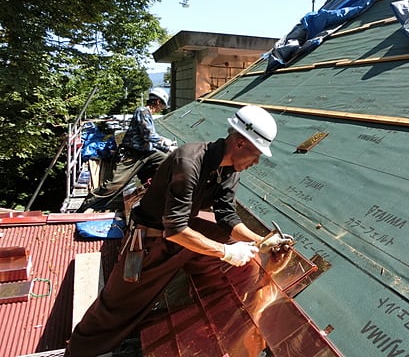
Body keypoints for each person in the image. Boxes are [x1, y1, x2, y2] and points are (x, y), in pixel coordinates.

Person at [66, 105, 293, 356]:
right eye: (257, 153)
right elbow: (175, 229)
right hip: (148, 246)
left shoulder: (229, 170)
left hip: (176, 242)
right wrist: (226, 252)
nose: (257, 161)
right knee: (114, 309)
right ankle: (77, 352)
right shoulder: (189, 161)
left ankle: (212, 306)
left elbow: (227, 216)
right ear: (240, 143)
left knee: (220, 237)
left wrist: (262, 241)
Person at [78, 87, 175, 212]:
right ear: (157, 102)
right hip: (131, 156)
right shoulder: (142, 111)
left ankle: (152, 192)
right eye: (161, 105)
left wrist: (168, 149)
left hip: (146, 154)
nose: (161, 109)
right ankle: (85, 207)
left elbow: (147, 140)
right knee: (113, 186)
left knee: (167, 162)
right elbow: (148, 135)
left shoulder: (148, 115)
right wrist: (165, 142)